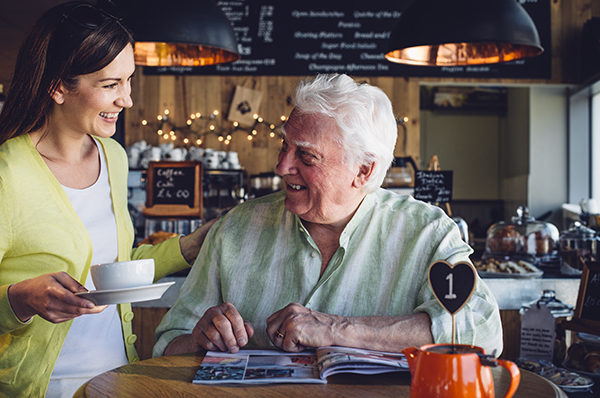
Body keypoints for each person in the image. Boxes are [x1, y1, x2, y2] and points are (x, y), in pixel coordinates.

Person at [153, 74, 503, 358]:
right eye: (284, 146)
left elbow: (481, 331)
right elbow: (166, 344)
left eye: (306, 156)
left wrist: (333, 329)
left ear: (364, 171)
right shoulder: (235, 229)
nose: (282, 166)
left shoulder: (426, 233)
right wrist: (199, 340)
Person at [0, 2, 212, 397]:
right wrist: (21, 299)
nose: (127, 100)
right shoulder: (7, 174)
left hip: (116, 380)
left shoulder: (112, 156)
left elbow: (114, 269)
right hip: (42, 389)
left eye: (129, 80)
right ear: (58, 86)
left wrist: (189, 246)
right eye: (110, 85)